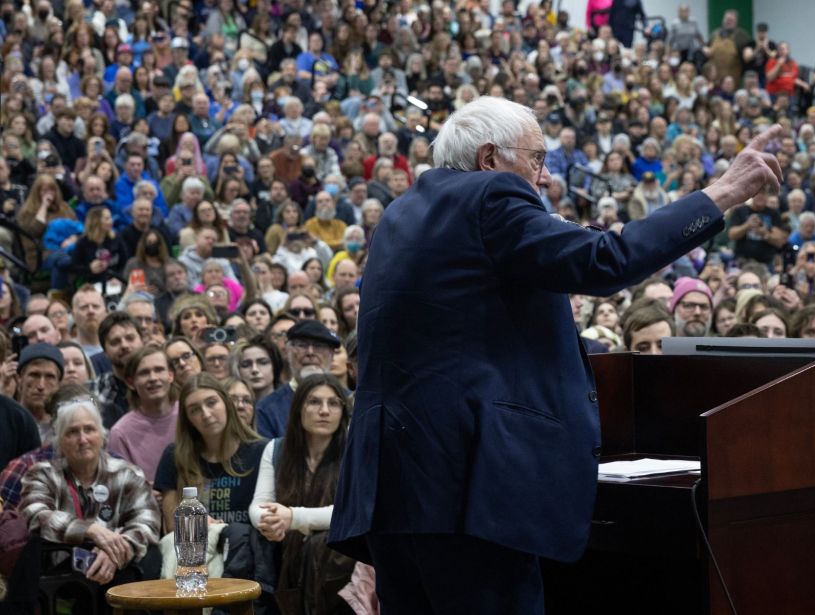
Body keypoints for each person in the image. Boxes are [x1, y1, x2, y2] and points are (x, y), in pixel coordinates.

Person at [328, 96, 784, 612]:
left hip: (395, 490)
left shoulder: (403, 211)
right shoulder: (492, 195)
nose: (543, 178)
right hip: (468, 493)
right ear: (489, 158)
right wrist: (722, 193)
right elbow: (608, 262)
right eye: (537, 158)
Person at [18, 397, 160, 589]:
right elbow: (34, 514)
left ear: (102, 436)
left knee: (150, 557)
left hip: (119, 570)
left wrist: (118, 551)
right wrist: (89, 530)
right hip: (61, 573)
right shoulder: (42, 474)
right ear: (59, 442)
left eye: (89, 430)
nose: (83, 439)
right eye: (72, 432)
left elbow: (147, 521)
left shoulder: (127, 473)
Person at [249, 373, 353, 612]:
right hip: (285, 549)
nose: (324, 410)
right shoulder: (275, 449)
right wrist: (270, 522)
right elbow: (258, 505)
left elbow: (350, 513)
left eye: (334, 403)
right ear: (299, 408)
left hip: (338, 560)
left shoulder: (352, 451)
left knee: (322, 544)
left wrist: (293, 518)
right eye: (314, 402)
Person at [153, 373, 265, 529]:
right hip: (195, 547)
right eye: (194, 410)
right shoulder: (174, 456)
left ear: (226, 403)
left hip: (246, 547)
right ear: (188, 420)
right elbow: (173, 527)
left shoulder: (262, 451)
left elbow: (269, 518)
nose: (206, 414)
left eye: (211, 403)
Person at [255, 319, 340, 438]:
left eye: (319, 346)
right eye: (302, 345)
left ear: (331, 355)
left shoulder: (349, 401)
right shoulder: (267, 409)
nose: (310, 352)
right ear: (288, 352)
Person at [107, 347, 177, 482]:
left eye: (159, 370)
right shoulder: (120, 432)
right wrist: (144, 490)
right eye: (144, 373)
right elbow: (119, 485)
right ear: (130, 382)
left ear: (170, 375)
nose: (153, 378)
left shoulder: (189, 414)